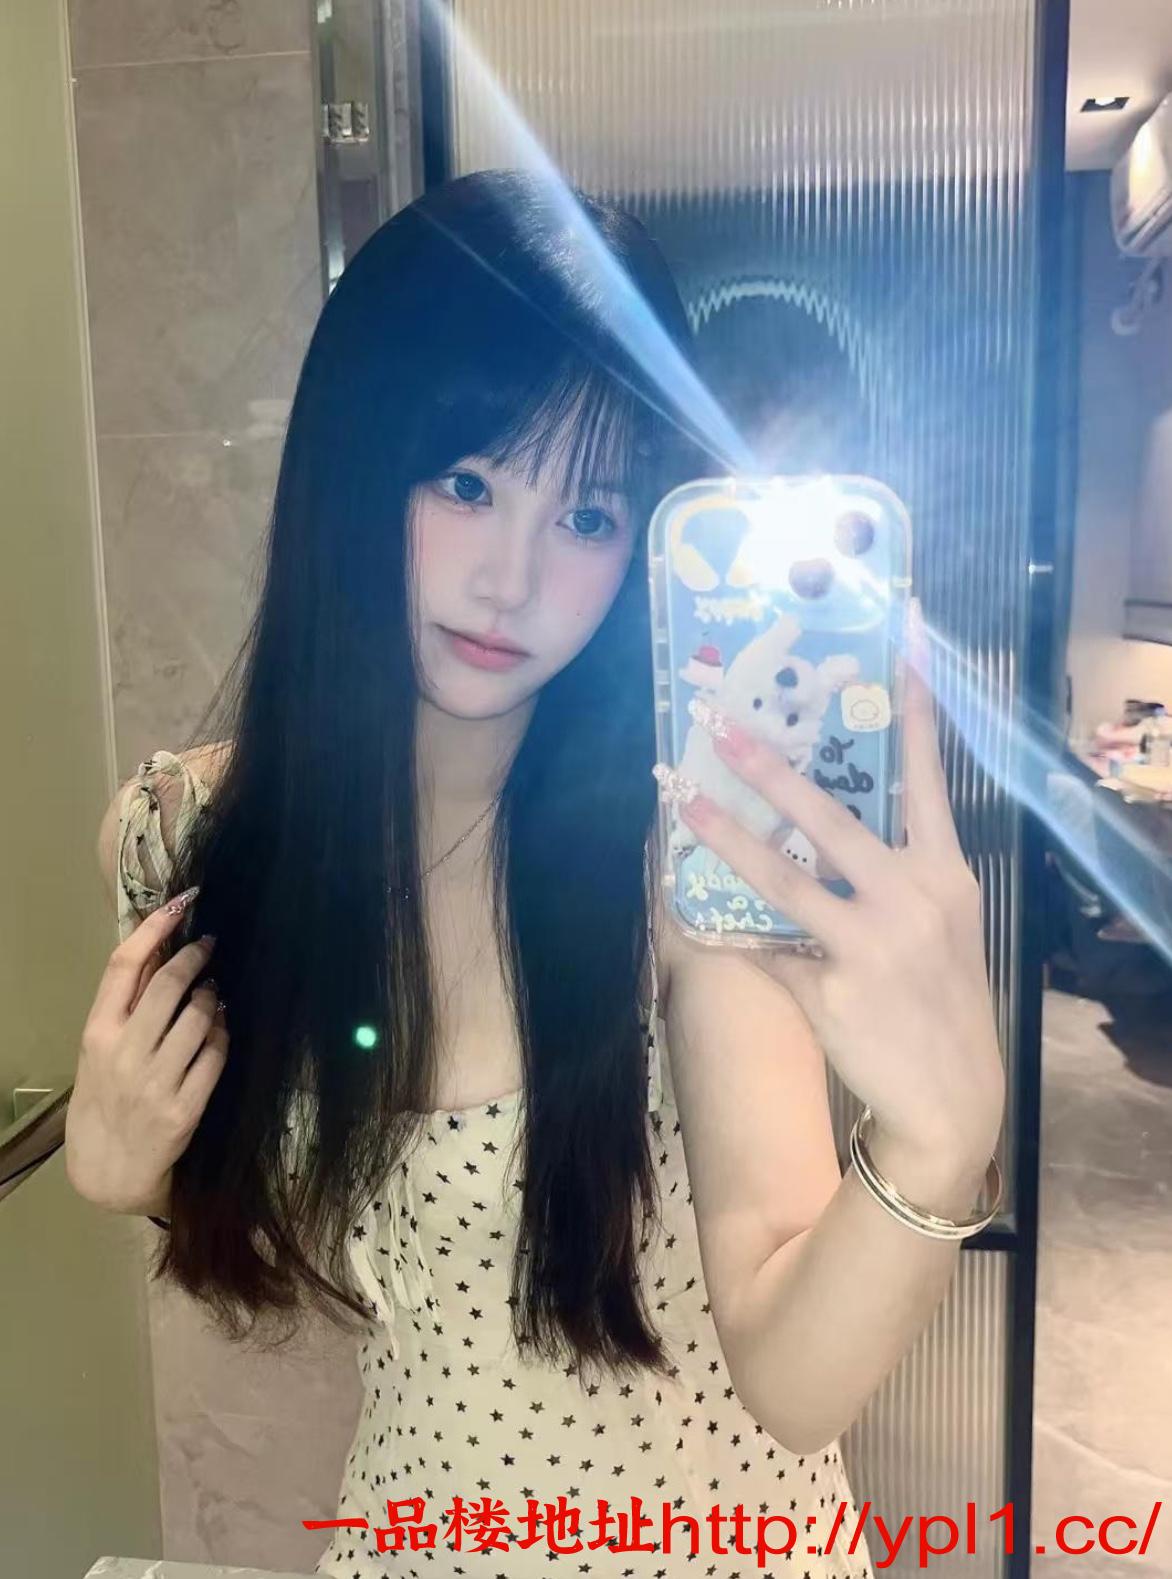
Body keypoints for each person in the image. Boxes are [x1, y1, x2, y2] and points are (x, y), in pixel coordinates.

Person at [67, 169, 1005, 1579]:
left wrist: (938, 1140)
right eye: (467, 483)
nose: (513, 580)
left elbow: (795, 1375)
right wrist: (126, 1175)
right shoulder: (185, 842)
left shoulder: (685, 847)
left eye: (587, 516)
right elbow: (254, 1191)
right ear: (351, 464)